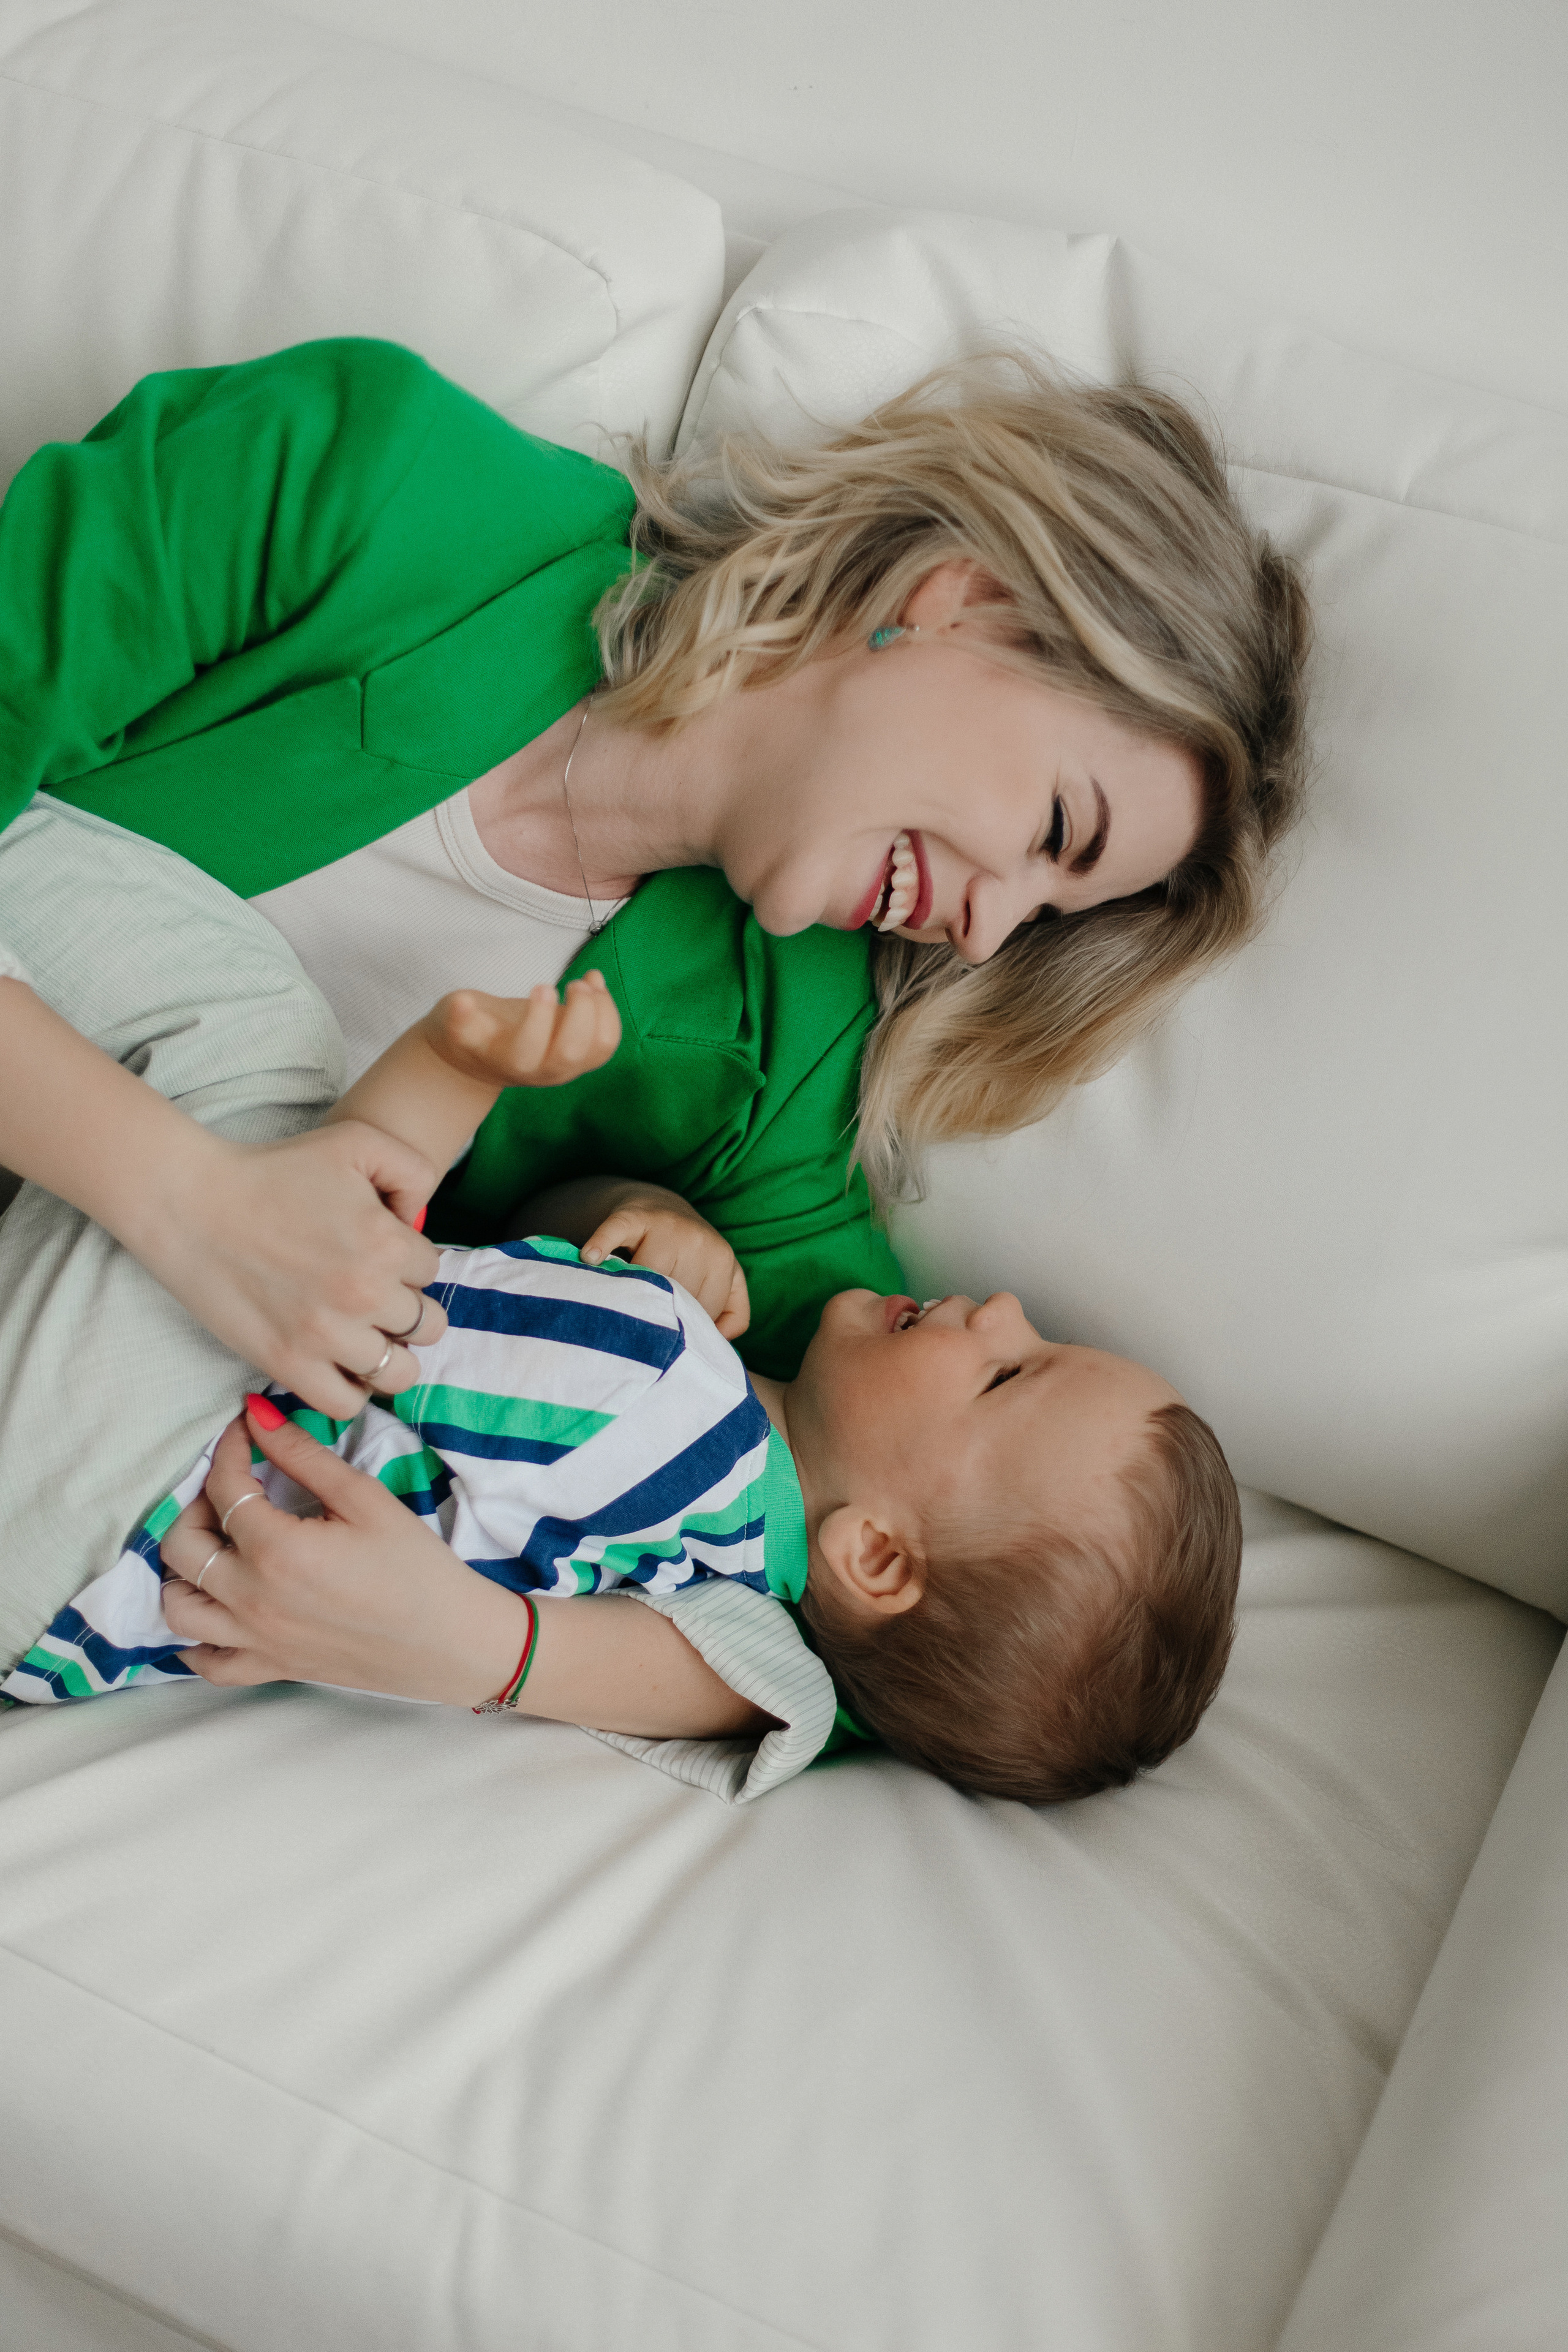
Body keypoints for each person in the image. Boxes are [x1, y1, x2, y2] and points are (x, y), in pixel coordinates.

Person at [0, 335, 1306, 1771]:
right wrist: (184, 1200)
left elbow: (934, 1625)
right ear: (967, 604)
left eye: (1053, 914)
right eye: (1055, 834)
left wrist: (493, 1656)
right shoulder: (369, 479)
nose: (989, 937)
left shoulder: (780, 1068)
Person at [5, 971, 1240, 1808]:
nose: (1004, 1306)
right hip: (68, 1626)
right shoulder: (727, 1587)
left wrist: (452, 1070)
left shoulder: (663, 1384)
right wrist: (622, 1221)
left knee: (250, 1024)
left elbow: (348, 1264)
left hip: (114, 1462)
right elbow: (793, 1699)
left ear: (874, 1561)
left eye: (1009, 1372)